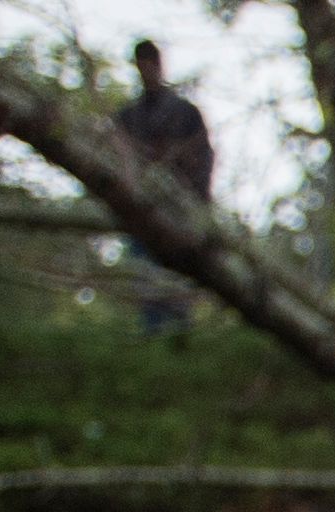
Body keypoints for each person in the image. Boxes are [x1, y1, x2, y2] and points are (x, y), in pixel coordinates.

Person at [114, 42, 212, 336]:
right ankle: (154, 335)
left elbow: (204, 157)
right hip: (143, 210)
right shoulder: (127, 117)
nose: (145, 71)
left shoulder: (185, 113)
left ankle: (182, 335)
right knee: (147, 281)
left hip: (180, 208)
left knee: (179, 277)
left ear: (158, 64)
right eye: (140, 65)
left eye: (149, 63)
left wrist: (197, 204)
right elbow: (120, 162)